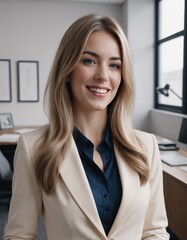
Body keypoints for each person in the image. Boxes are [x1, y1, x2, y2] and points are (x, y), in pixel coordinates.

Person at [4, 14, 169, 240]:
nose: (103, 75)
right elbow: (19, 235)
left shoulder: (146, 146)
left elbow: (154, 231)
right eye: (89, 61)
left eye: (115, 65)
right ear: (68, 69)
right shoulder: (34, 147)